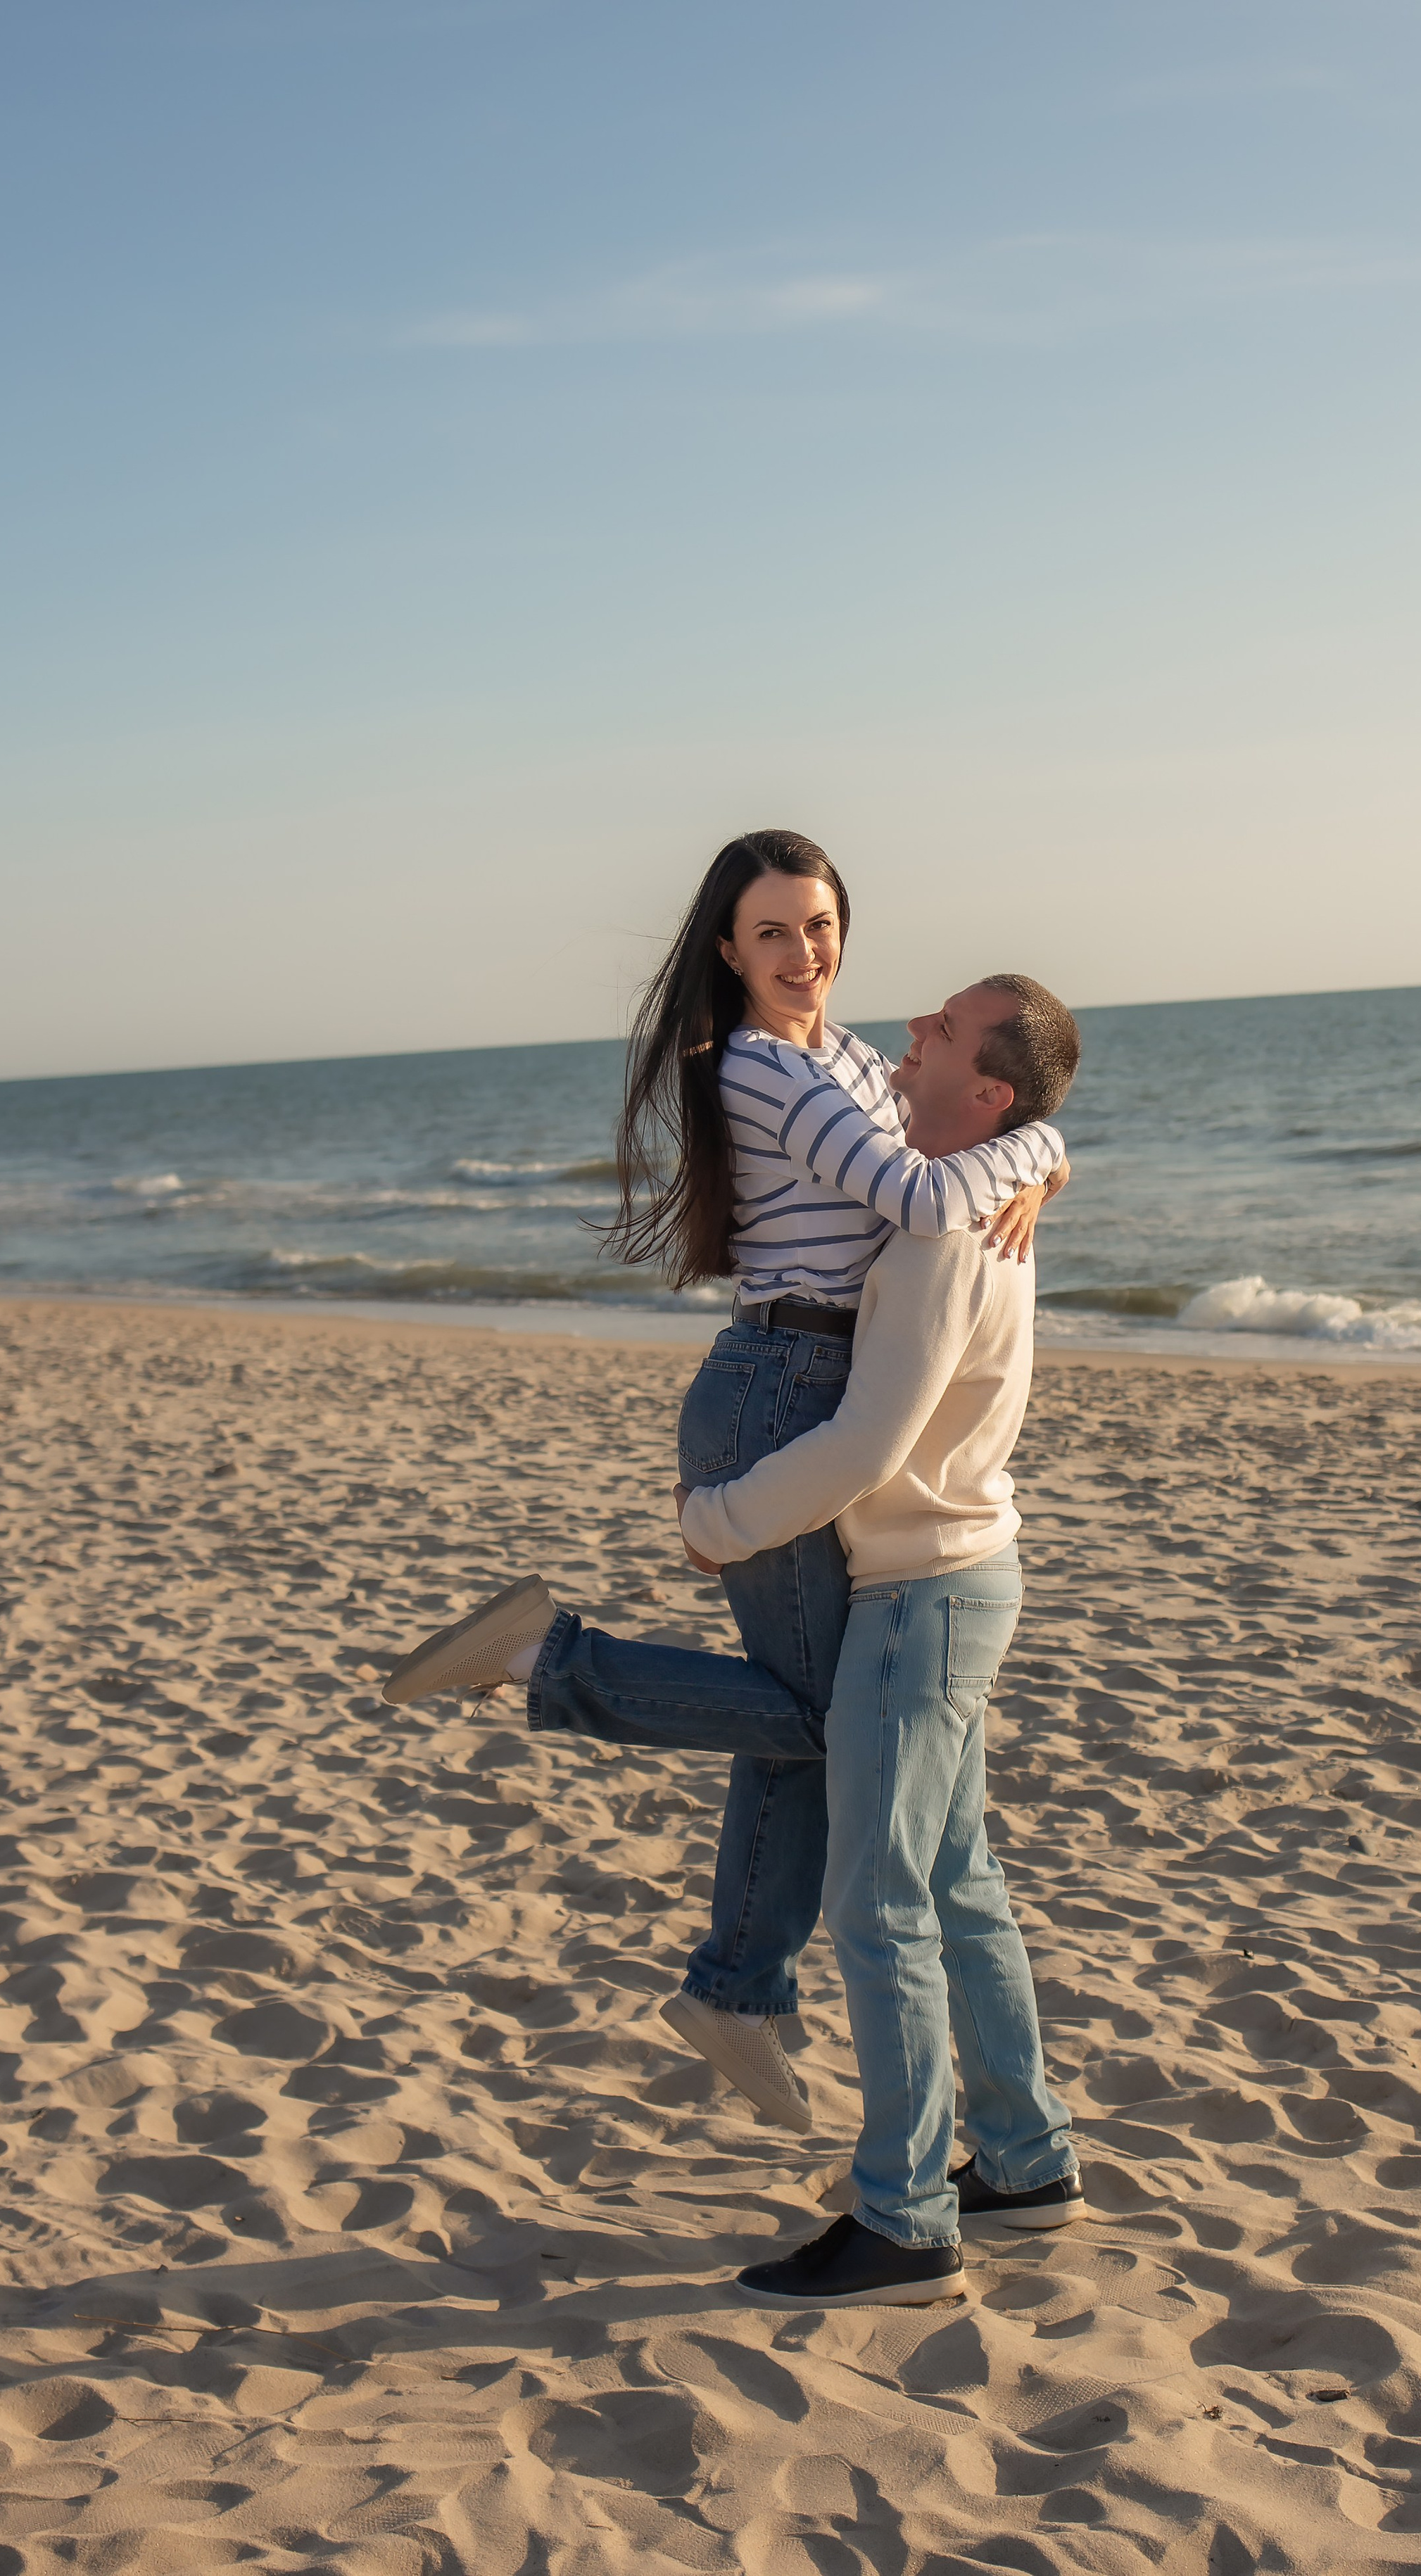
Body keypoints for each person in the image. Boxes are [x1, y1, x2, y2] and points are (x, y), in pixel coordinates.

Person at [386, 970, 1085, 2309]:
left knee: (880, 1901)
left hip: (920, 1586)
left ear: (985, 1091)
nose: (914, 1029)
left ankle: (905, 2214)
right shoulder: (976, 1187)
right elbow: (982, 1115)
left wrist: (718, 1519)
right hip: (960, 1573)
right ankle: (1027, 2156)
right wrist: (1047, 1148)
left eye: (944, 1026)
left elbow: (867, 1442)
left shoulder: (950, 1233)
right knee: (954, 1877)